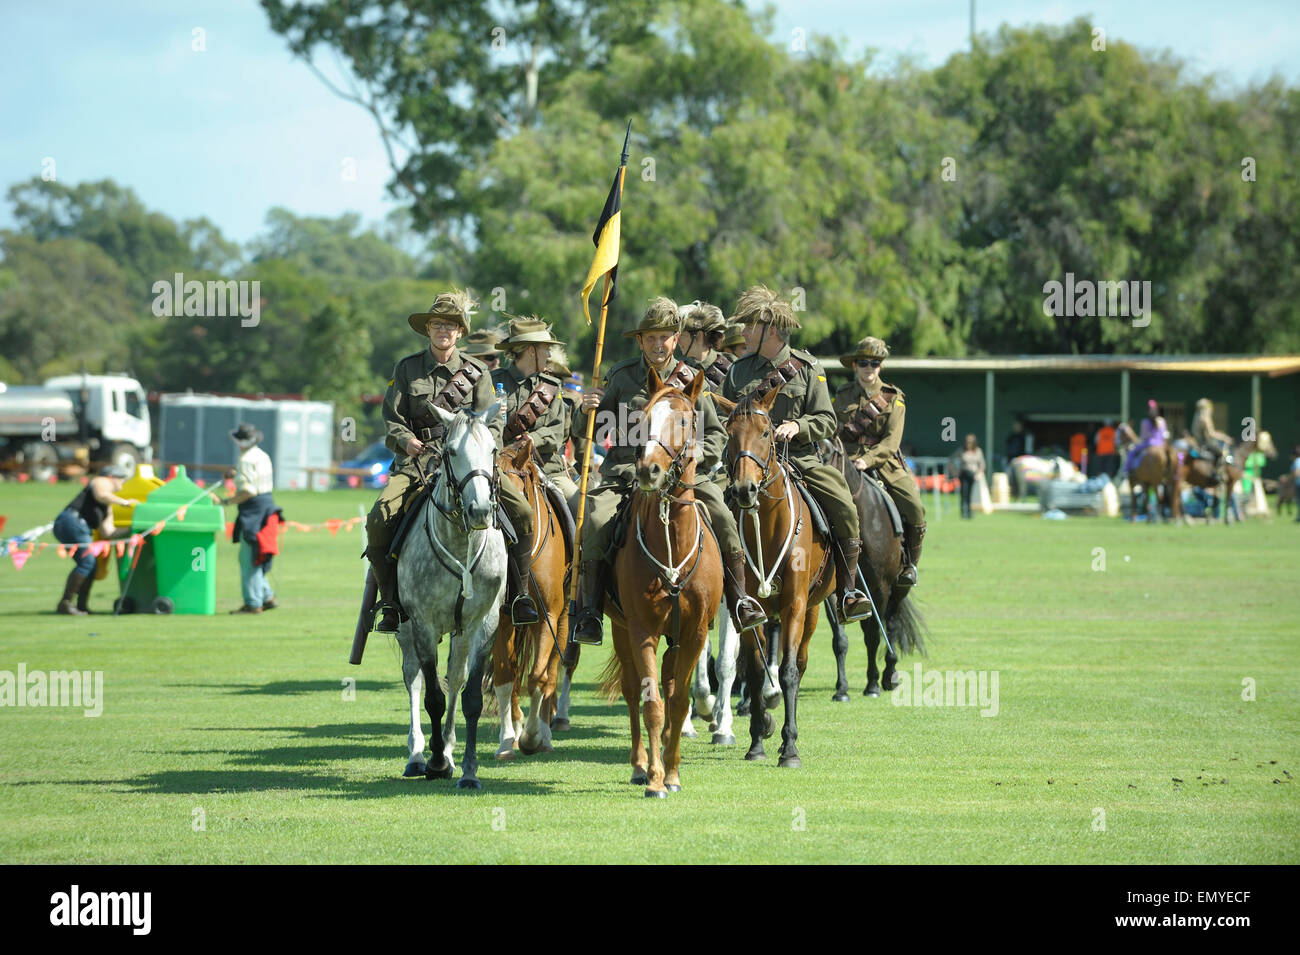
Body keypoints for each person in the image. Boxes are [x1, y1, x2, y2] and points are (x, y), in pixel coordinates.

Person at [570, 296, 767, 645]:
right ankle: (590, 614)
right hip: (627, 476)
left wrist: (688, 462)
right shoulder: (621, 376)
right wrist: (585, 410)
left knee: (722, 515)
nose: (658, 344)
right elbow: (596, 430)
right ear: (640, 341)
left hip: (682, 480)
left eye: (665, 337)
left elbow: (715, 435)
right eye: (650, 338)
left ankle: (740, 601)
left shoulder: (693, 379)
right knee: (596, 523)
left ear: (676, 339)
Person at [722, 286, 871, 618]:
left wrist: (798, 427)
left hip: (800, 460)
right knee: (709, 507)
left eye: (749, 326)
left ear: (770, 330)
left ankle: (848, 590)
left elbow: (826, 419)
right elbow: (723, 417)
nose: (742, 332)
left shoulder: (807, 367)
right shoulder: (737, 371)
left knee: (844, 504)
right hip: (746, 463)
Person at [364, 290, 501, 633]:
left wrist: (483, 449)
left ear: (460, 332)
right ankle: (391, 603)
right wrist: (406, 441)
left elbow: (493, 421)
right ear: (428, 330)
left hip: (469, 467)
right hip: (418, 464)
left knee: (522, 515)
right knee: (379, 519)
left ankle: (519, 594)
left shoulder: (477, 372)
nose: (444, 330)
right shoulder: (407, 368)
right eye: (438, 324)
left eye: (451, 325)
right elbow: (391, 417)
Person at [493, 316, 582, 623]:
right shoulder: (492, 384)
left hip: (547, 470)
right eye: (545, 349)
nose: (548, 355)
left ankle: (578, 586)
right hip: (499, 468)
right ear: (530, 350)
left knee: (582, 510)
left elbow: (557, 432)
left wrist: (532, 440)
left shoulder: (551, 388)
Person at [832, 336, 927, 581]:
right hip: (844, 459)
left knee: (914, 505)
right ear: (854, 365)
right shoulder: (841, 396)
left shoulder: (894, 398)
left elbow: (891, 442)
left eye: (874, 363)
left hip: (884, 463)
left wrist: (868, 460)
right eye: (863, 363)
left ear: (880, 366)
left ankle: (910, 565)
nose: (869, 368)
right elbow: (831, 430)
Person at [51, 465, 138, 614]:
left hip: (76, 526)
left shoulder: (108, 506)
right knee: (88, 562)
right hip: (72, 522)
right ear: (112, 477)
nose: (122, 484)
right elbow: (101, 495)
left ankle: (81, 605)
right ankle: (65, 603)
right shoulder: (101, 480)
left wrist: (134, 529)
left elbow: (108, 532)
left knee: (90, 566)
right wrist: (125, 502)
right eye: (121, 480)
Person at [215, 423, 280, 614]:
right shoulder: (262, 455)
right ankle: (267, 595)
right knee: (256, 554)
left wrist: (227, 502)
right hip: (267, 506)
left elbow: (249, 490)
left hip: (253, 511)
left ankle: (253, 602)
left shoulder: (245, 459)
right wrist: (235, 474)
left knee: (249, 558)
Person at [1191, 397, 1233, 482]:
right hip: (1206, 443)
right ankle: (1216, 474)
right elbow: (1211, 433)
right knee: (1221, 453)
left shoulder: (1197, 417)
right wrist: (1225, 437)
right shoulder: (1205, 418)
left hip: (1198, 442)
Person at [1123, 400, 1169, 477]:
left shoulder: (1144, 421)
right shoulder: (1162, 420)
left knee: (1131, 451)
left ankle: (1126, 471)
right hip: (1161, 444)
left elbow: (1143, 437)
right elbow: (1165, 435)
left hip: (1148, 443)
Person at [948, 434, 986, 519]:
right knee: (964, 493)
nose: (968, 443)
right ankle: (963, 512)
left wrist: (978, 474)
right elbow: (951, 459)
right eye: (967, 442)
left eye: (970, 442)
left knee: (971, 495)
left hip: (973, 475)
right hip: (964, 474)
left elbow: (982, 465)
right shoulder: (961, 451)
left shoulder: (978, 451)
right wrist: (954, 472)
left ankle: (970, 511)